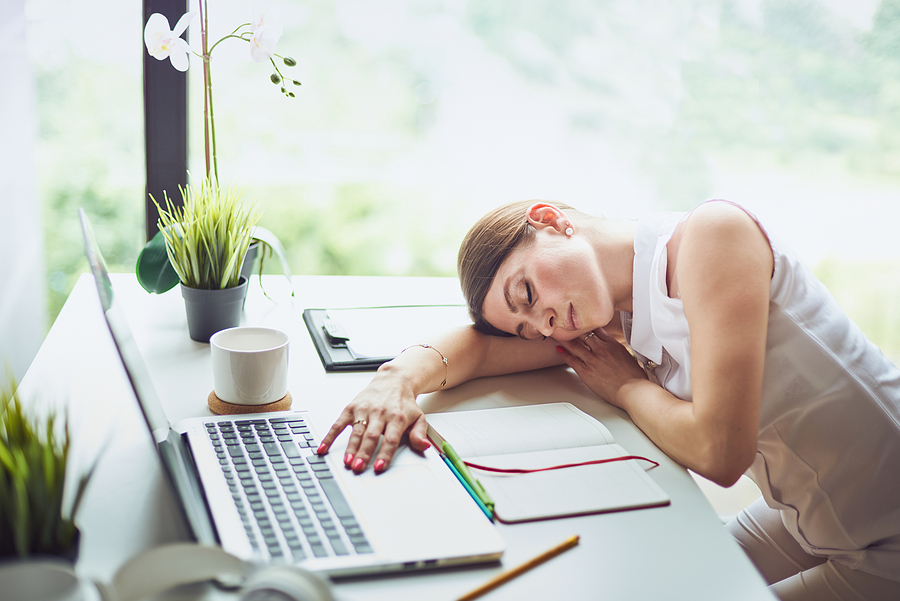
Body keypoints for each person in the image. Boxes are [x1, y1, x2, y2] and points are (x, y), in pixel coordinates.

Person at [316, 198, 900, 601]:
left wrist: (625, 387)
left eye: (525, 292)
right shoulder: (606, 319)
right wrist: (392, 380)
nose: (545, 327)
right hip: (806, 516)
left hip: (887, 536)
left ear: (550, 220)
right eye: (529, 328)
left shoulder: (711, 238)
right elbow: (479, 350)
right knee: (653, 585)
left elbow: (720, 452)